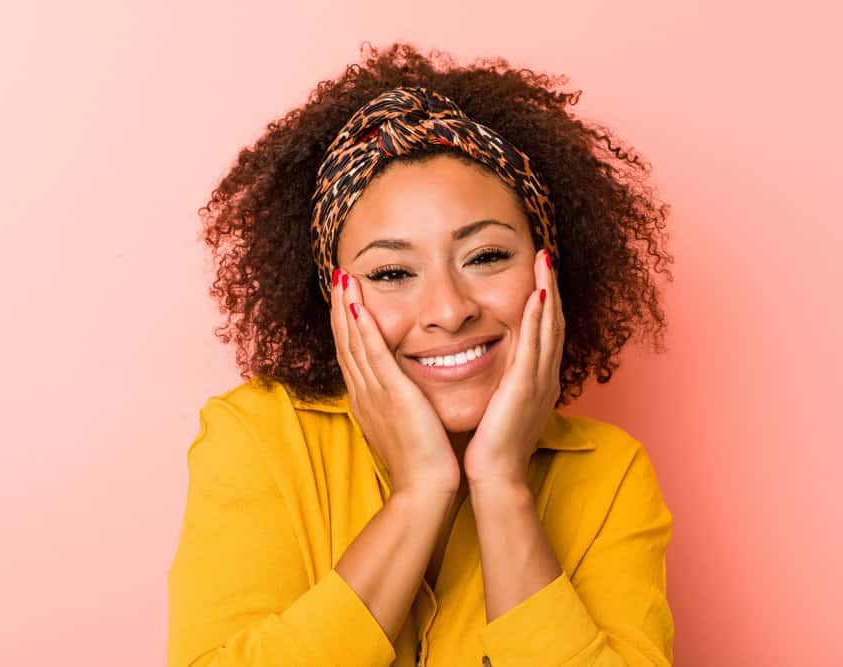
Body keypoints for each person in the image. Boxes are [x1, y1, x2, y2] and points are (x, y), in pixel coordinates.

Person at [168, 42, 676, 667]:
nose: (448, 309)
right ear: (334, 296)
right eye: (390, 272)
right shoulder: (259, 438)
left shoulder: (609, 474)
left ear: (547, 270)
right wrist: (419, 494)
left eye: (486, 257)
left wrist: (502, 487)